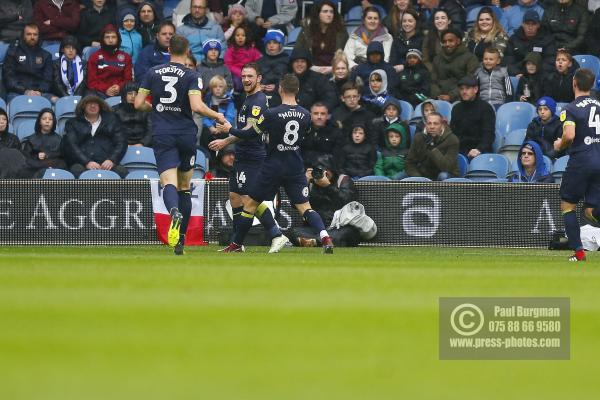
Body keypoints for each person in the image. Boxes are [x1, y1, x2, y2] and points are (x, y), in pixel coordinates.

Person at [215, 73, 335, 254]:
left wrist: (229, 129)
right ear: (298, 90)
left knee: (250, 205)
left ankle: (237, 244)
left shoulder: (271, 113)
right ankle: (325, 237)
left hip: (273, 165)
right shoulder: (305, 115)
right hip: (294, 165)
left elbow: (249, 134)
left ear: (280, 89)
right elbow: (306, 138)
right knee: (305, 207)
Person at [134, 34, 225, 255]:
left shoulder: (153, 72)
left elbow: (137, 103)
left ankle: (173, 211)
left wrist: (154, 108)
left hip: (163, 133)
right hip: (185, 134)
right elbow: (196, 106)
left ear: (168, 49)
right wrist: (218, 117)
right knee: (185, 186)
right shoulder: (191, 74)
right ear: (186, 51)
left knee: (168, 183)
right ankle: (180, 242)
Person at [206, 63, 288, 253]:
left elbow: (249, 132)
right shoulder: (248, 98)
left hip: (253, 156)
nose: (246, 80)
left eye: (250, 76)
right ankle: (238, 244)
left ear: (259, 78)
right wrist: (228, 132)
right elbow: (243, 130)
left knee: (250, 199)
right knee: (235, 196)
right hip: (242, 154)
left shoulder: (258, 101)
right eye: (243, 76)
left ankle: (276, 234)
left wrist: (226, 138)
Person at [552, 68, 600, 261]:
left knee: (568, 206)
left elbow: (569, 135)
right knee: (590, 210)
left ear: (574, 83)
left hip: (581, 161)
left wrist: (558, 145)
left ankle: (579, 253)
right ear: (593, 84)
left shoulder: (570, 108)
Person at [292, 154, 362, 247]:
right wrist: (304, 184)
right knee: (295, 232)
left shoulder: (342, 180)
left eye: (325, 171)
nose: (323, 174)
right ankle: (321, 241)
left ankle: (315, 242)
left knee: (348, 233)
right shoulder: (311, 184)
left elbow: (348, 201)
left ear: (332, 170)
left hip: (339, 226)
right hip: (317, 229)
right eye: (319, 171)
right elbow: (294, 204)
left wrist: (328, 187)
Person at [63, 95, 128, 178]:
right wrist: (86, 162)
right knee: (76, 170)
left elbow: (121, 142)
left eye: (96, 103)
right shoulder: (72, 123)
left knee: (122, 171)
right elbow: (71, 145)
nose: (93, 106)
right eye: (89, 103)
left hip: (107, 163)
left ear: (100, 105)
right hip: (82, 164)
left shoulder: (112, 120)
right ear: (83, 106)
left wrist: (111, 160)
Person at [3, 24, 57, 102]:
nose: (32, 37)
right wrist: (25, 91)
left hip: (40, 93)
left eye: (35, 34)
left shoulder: (46, 55)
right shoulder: (13, 52)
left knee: (56, 100)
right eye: (29, 34)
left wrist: (38, 91)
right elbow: (8, 78)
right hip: (17, 93)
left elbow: (48, 79)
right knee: (13, 103)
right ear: (23, 35)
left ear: (38, 36)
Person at [293, 0, 348, 75]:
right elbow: (297, 51)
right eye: (325, 11)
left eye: (331, 12)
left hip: (335, 71)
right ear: (317, 14)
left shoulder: (341, 31)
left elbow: (347, 54)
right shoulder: (307, 29)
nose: (329, 14)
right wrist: (311, 67)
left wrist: (334, 67)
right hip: (311, 69)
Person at [450, 76, 496, 158]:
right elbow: (453, 133)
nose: (464, 92)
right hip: (460, 150)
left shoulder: (485, 108)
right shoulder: (456, 108)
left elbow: (488, 134)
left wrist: (479, 149)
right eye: (461, 89)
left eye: (467, 88)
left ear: (475, 90)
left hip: (480, 151)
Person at [405, 111, 460, 180]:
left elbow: (446, 167)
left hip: (446, 173)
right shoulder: (418, 137)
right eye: (429, 123)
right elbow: (409, 163)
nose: (432, 127)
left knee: (443, 176)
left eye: (435, 124)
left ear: (442, 125)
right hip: (423, 174)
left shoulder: (452, 140)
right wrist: (418, 178)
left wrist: (432, 147)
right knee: (397, 178)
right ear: (425, 125)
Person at [430, 28, 479, 103]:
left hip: (461, 99)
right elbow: (433, 81)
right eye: (444, 42)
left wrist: (451, 96)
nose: (447, 44)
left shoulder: (470, 58)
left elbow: (470, 80)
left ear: (458, 41)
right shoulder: (437, 59)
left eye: (450, 41)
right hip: (438, 99)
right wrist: (437, 95)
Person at [86, 24, 134, 98]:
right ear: (102, 39)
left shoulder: (126, 57)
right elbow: (91, 82)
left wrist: (119, 87)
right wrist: (106, 89)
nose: (110, 40)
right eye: (107, 37)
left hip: (121, 92)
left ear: (118, 39)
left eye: (113, 37)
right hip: (100, 93)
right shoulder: (94, 57)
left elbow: (128, 80)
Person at [505, 10, 556, 76]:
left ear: (538, 25)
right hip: (519, 75)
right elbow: (508, 61)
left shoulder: (547, 39)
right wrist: (516, 73)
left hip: (540, 75)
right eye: (527, 24)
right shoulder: (513, 39)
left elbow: (550, 61)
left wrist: (535, 72)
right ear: (522, 24)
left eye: (533, 24)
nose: (530, 27)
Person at [20, 108, 67, 178]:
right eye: (44, 119)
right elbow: (26, 156)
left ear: (54, 122)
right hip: (36, 165)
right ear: (39, 121)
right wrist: (37, 156)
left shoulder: (59, 139)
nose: (47, 121)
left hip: (54, 164)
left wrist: (47, 155)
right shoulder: (31, 139)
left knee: (61, 163)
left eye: (50, 119)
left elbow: (63, 155)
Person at [301, 102, 342, 168]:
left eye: (322, 114)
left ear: (327, 116)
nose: (319, 117)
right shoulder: (303, 131)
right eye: (316, 113)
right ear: (310, 115)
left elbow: (337, 156)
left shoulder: (335, 132)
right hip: (304, 168)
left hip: (327, 169)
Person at [112, 81, 152, 147]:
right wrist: (121, 144)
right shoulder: (115, 110)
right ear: (124, 95)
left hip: (143, 146)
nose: (133, 96)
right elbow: (112, 131)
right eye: (130, 93)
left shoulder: (145, 109)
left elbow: (150, 130)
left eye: (136, 94)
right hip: (120, 145)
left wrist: (142, 143)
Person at [224, 25, 262, 93]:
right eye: (237, 35)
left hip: (249, 73)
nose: (240, 37)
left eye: (243, 35)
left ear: (247, 37)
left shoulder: (252, 50)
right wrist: (240, 72)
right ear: (234, 37)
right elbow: (228, 65)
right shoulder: (231, 50)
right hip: (235, 74)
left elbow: (259, 60)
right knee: (237, 82)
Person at [256, 29, 289, 103]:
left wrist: (277, 87)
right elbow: (254, 78)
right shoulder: (259, 61)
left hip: (280, 95)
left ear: (280, 45)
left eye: (275, 43)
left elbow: (290, 79)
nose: (271, 45)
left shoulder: (288, 61)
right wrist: (257, 86)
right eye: (269, 43)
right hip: (261, 93)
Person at [389, 9, 424, 74]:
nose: (407, 24)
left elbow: (423, 62)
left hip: (417, 74)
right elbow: (392, 61)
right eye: (404, 21)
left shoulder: (422, 39)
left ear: (416, 22)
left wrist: (404, 66)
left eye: (410, 21)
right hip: (398, 74)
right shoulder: (397, 40)